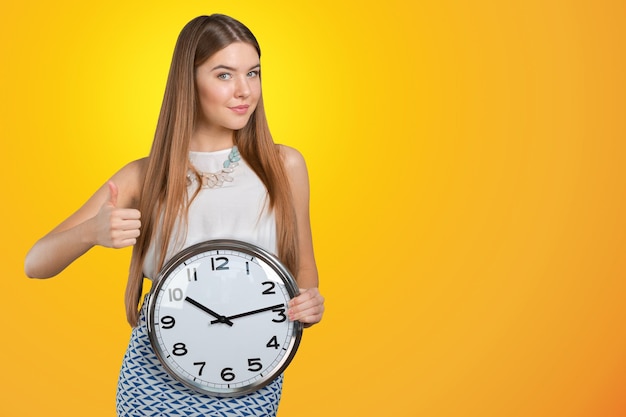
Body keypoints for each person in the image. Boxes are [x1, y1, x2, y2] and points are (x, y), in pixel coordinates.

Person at [24, 14, 325, 417]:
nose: (244, 91)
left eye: (253, 73)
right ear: (188, 80)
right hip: (155, 383)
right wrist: (92, 233)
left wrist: (309, 305)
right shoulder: (143, 176)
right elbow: (35, 262)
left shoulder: (284, 167)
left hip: (253, 374)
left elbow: (303, 272)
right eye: (224, 75)